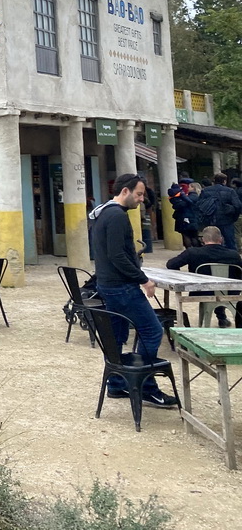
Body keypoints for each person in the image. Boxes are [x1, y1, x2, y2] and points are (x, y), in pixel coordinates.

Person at [89, 174, 178, 408]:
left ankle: (117, 384)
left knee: (118, 337)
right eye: (139, 194)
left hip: (108, 284)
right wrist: (144, 279)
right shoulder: (117, 216)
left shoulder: (103, 213)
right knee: (152, 331)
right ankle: (146, 386)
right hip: (121, 287)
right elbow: (118, 255)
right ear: (125, 191)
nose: (141, 200)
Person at [167, 225, 242, 328]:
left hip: (201, 291)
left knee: (215, 290)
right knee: (219, 289)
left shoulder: (193, 252)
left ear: (203, 240)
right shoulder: (234, 255)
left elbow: (171, 264)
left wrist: (183, 276)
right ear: (221, 239)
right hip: (230, 291)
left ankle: (221, 317)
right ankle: (221, 317)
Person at [193, 172, 242, 250]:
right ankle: (231, 259)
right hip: (226, 220)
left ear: (214, 181)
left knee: (211, 241)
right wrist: (233, 217)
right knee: (230, 242)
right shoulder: (230, 191)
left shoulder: (205, 191)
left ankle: (212, 257)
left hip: (210, 220)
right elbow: (238, 206)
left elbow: (198, 205)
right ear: (224, 181)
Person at [168, 183, 200, 249]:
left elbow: (180, 205)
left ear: (193, 188)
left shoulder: (190, 197)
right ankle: (195, 251)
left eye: (189, 187)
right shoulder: (197, 197)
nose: (188, 188)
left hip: (186, 218)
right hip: (194, 218)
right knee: (194, 236)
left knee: (187, 235)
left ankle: (190, 251)